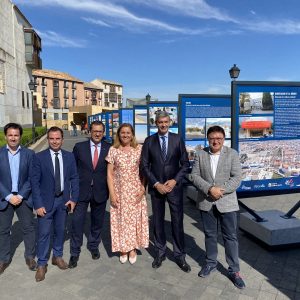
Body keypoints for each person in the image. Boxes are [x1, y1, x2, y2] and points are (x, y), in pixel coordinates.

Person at [189, 125, 246, 289]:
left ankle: (234, 271)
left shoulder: (232, 154)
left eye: (219, 138)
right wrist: (209, 189)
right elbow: (194, 176)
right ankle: (211, 263)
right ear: (208, 139)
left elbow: (237, 178)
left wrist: (219, 191)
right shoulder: (201, 154)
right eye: (212, 138)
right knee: (210, 235)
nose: (216, 141)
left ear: (224, 139)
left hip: (227, 202)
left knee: (230, 237)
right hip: (206, 202)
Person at [141, 111, 191, 272]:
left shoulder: (177, 139)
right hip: (157, 189)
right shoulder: (149, 141)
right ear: (155, 123)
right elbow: (144, 166)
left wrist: (175, 180)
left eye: (165, 122)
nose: (163, 124)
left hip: (174, 188)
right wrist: (156, 183)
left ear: (170, 122)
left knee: (177, 222)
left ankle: (179, 255)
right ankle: (160, 252)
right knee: (158, 222)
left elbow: (185, 164)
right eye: (160, 122)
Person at [31, 127, 79, 282]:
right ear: (48, 139)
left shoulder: (69, 156)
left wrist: (74, 198)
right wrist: (37, 204)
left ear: (62, 139)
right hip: (45, 202)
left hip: (63, 201)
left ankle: (57, 256)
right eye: (51, 138)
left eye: (58, 138)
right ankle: (42, 264)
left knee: (60, 231)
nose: (55, 141)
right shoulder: (39, 157)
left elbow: (74, 178)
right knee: (44, 234)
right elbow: (35, 183)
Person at [69, 121, 111, 268]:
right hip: (81, 192)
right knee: (77, 223)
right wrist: (71, 192)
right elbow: (72, 170)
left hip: (100, 191)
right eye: (95, 131)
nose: (97, 134)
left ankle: (93, 246)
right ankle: (74, 252)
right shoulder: (79, 147)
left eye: (100, 131)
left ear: (103, 132)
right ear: (90, 132)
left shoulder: (109, 148)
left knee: (97, 222)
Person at [106, 123, 149, 264]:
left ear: (132, 134)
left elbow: (145, 172)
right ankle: (123, 249)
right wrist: (112, 194)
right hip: (120, 192)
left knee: (135, 221)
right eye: (122, 133)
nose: (125, 135)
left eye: (128, 132)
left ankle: (133, 249)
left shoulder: (140, 149)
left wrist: (143, 189)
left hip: (136, 192)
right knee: (121, 221)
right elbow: (110, 175)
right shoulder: (113, 150)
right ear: (118, 134)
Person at [0, 123, 36, 275]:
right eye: (10, 135)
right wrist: (8, 196)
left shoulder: (29, 154)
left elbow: (32, 178)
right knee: (3, 230)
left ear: (20, 136)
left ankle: (30, 256)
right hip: (4, 198)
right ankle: (3, 259)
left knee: (28, 229)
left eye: (16, 135)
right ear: (5, 136)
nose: (13, 138)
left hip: (24, 197)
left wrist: (20, 195)